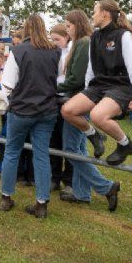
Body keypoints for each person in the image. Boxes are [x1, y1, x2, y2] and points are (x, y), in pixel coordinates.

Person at [61, 0, 132, 166]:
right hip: (99, 85)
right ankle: (94, 135)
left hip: (121, 85)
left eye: (94, 12)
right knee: (67, 110)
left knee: (97, 115)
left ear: (105, 14)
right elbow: (91, 68)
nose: (92, 16)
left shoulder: (124, 35)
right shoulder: (95, 36)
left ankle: (125, 144)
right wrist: (87, 91)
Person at [58, 9, 120, 211]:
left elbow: (76, 78)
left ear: (78, 24)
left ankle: (106, 187)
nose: (67, 30)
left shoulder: (84, 42)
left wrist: (53, 87)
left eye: (68, 26)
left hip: (79, 101)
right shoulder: (82, 42)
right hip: (78, 99)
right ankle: (82, 193)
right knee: (78, 149)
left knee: (71, 150)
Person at [0, 14, 61, 218]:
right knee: (41, 155)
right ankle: (41, 203)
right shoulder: (56, 51)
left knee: (12, 152)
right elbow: (59, 81)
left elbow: (7, 85)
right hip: (47, 110)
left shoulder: (17, 51)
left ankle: (6, 197)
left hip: (22, 110)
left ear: (26, 29)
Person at [49, 24, 73, 192]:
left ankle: (69, 180)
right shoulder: (54, 53)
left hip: (69, 99)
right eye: (53, 39)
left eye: (57, 39)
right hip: (54, 99)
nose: (55, 42)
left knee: (69, 141)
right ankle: (54, 177)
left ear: (67, 37)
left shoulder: (73, 51)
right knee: (54, 139)